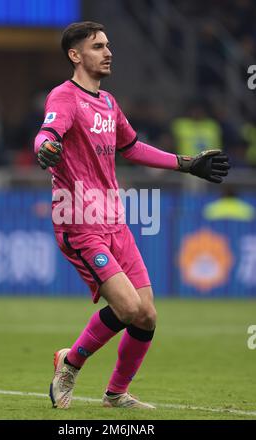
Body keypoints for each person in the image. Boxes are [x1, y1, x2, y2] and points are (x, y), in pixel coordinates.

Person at [34, 21, 230, 410]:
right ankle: (70, 362)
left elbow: (133, 147)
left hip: (114, 221)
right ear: (76, 55)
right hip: (80, 222)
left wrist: (186, 163)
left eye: (108, 45)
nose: (107, 52)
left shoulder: (107, 103)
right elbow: (46, 134)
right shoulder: (64, 97)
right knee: (128, 308)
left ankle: (115, 394)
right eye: (97, 47)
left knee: (147, 316)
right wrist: (46, 148)